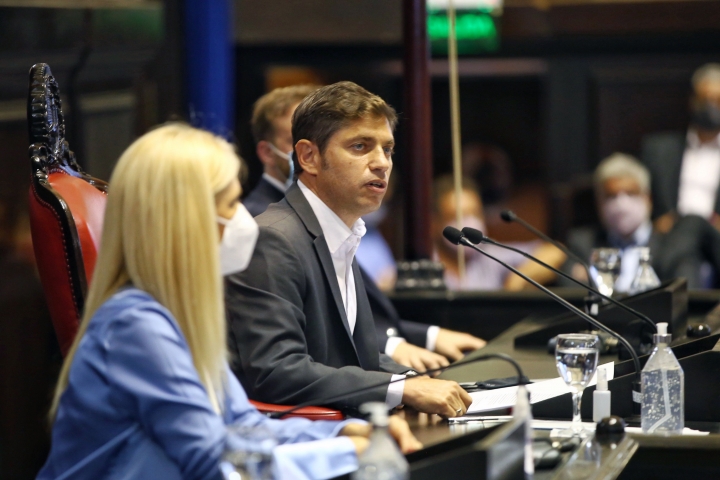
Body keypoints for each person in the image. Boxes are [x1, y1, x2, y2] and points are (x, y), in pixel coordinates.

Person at [38, 124, 420, 480]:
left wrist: (346, 430)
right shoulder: (135, 325)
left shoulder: (178, 317)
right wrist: (345, 452)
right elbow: (214, 461)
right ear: (187, 221)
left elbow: (245, 427)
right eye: (231, 204)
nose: (245, 219)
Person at [225, 82, 473, 418]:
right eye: (360, 146)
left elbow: (359, 356)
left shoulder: (341, 230)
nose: (381, 163)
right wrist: (402, 388)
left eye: (387, 149)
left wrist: (415, 380)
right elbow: (277, 371)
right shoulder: (274, 238)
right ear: (309, 156)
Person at [564, 153, 720, 290]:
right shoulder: (583, 246)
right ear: (599, 203)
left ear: (648, 199)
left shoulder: (674, 247)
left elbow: (684, 298)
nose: (621, 205)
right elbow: (569, 297)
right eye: (611, 196)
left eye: (631, 193)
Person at [431, 175, 566, 291]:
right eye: (456, 216)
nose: (468, 222)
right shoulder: (426, 263)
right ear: (435, 222)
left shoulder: (489, 254)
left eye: (474, 214)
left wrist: (516, 282)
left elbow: (554, 251)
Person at [642, 63, 720, 232]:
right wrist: (657, 221)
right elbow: (643, 198)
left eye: (718, 101)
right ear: (692, 101)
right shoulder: (658, 149)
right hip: (670, 238)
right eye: (705, 100)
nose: (711, 107)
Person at [244, 84, 319, 217]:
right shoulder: (259, 218)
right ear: (267, 153)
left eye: (321, 139)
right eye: (296, 141)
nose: (313, 151)